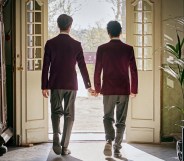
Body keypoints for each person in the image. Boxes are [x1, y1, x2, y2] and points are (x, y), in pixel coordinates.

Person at [41, 14, 94, 155]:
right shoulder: (76, 45)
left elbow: (45, 66)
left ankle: (56, 136)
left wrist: (44, 86)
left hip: (55, 83)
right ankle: (65, 147)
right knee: (69, 115)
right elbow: (82, 67)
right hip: (71, 84)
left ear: (58, 25)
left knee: (55, 112)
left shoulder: (50, 43)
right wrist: (88, 85)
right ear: (70, 26)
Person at [93, 21, 138, 158]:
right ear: (120, 32)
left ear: (108, 32)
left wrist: (98, 88)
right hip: (124, 89)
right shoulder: (128, 48)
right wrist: (134, 89)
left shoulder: (102, 48)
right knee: (121, 120)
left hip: (108, 89)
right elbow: (134, 71)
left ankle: (109, 140)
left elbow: (97, 70)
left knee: (107, 117)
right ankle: (117, 149)